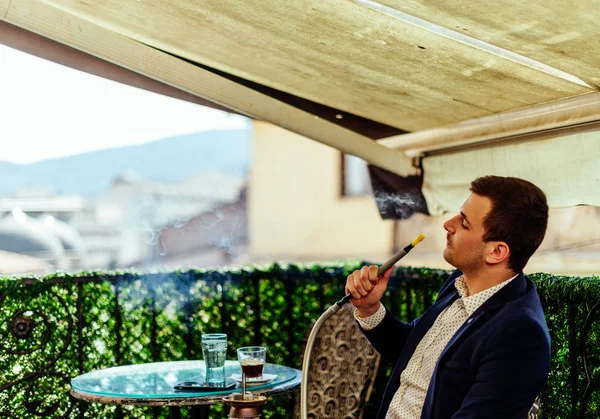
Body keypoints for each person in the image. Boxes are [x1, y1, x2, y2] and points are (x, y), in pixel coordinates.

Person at [345, 175, 551, 419]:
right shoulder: (458, 284)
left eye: (464, 223)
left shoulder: (520, 334)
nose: (448, 224)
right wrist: (370, 309)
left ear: (496, 252)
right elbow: (415, 352)